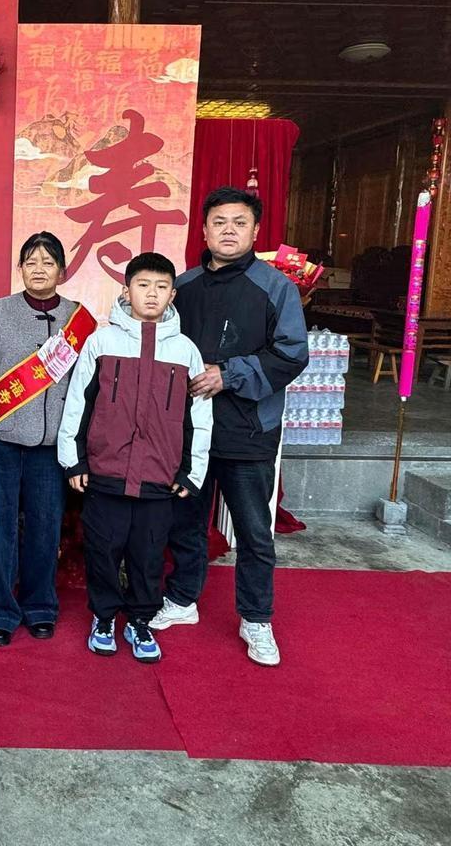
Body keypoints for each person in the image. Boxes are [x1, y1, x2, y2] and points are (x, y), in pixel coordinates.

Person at [155, 187, 308, 667]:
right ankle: (182, 599)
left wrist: (230, 374)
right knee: (185, 522)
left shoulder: (276, 288)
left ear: (255, 231)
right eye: (219, 222)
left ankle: (256, 618)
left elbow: (292, 353)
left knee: (254, 532)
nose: (228, 230)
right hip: (190, 431)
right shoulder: (184, 287)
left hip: (248, 430)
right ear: (203, 230)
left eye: (239, 223)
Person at [57, 253, 212, 663]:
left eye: (161, 287)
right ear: (126, 291)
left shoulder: (186, 351)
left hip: (159, 477)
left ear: (172, 295)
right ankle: (105, 617)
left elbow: (199, 417)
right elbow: (78, 404)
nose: (152, 294)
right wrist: (74, 460)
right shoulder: (101, 342)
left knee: (147, 556)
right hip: (105, 472)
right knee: (103, 551)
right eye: (143, 285)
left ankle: (141, 621)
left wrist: (192, 472)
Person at [0, 232, 98, 647]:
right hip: (1, 441)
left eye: (48, 262)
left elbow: (86, 386)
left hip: (51, 447)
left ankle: (40, 607)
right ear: (20, 268)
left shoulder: (78, 320)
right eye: (31, 261)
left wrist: (79, 447)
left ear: (63, 271)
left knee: (45, 528)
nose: (39, 269)